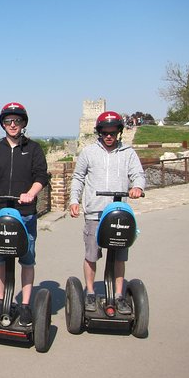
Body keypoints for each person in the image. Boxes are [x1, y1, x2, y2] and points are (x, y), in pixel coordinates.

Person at [69, 110, 145, 314]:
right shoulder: (89, 152)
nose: (109, 136)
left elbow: (138, 174)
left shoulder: (127, 152)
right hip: (95, 211)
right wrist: (74, 200)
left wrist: (137, 187)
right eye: (105, 132)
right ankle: (91, 292)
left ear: (119, 132)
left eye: (113, 132)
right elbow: (78, 177)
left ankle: (119, 296)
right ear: (99, 132)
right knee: (91, 255)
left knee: (119, 256)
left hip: (119, 212)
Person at [0, 102, 49, 326]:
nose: (13, 124)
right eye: (8, 121)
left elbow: (41, 176)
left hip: (25, 213)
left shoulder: (34, 149)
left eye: (17, 121)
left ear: (23, 123)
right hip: (0, 212)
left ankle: (26, 305)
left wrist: (31, 193)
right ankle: (0, 301)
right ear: (3, 124)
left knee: (27, 258)